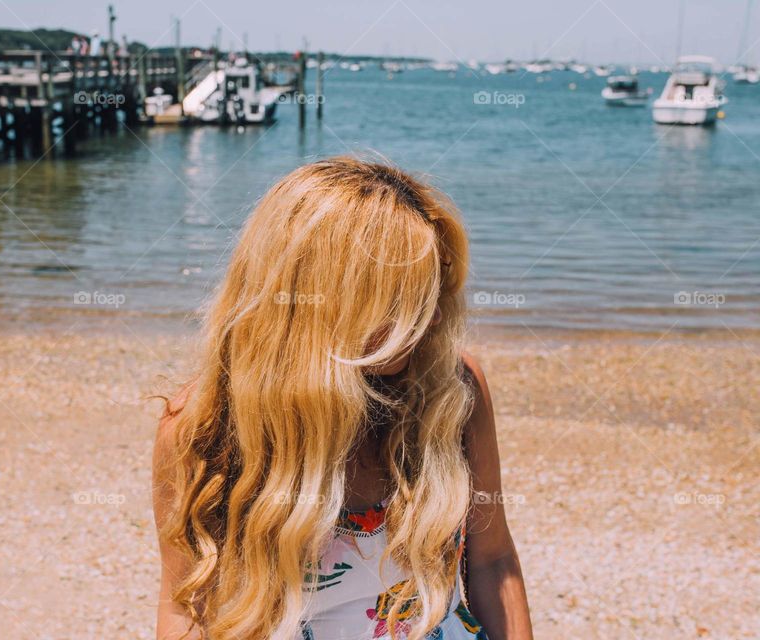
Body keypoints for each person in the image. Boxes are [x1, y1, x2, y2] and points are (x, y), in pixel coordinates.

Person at [152, 157, 534, 640]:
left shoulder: (449, 390)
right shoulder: (204, 428)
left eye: (434, 291)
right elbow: (186, 605)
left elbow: (494, 561)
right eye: (405, 301)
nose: (433, 319)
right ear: (323, 303)